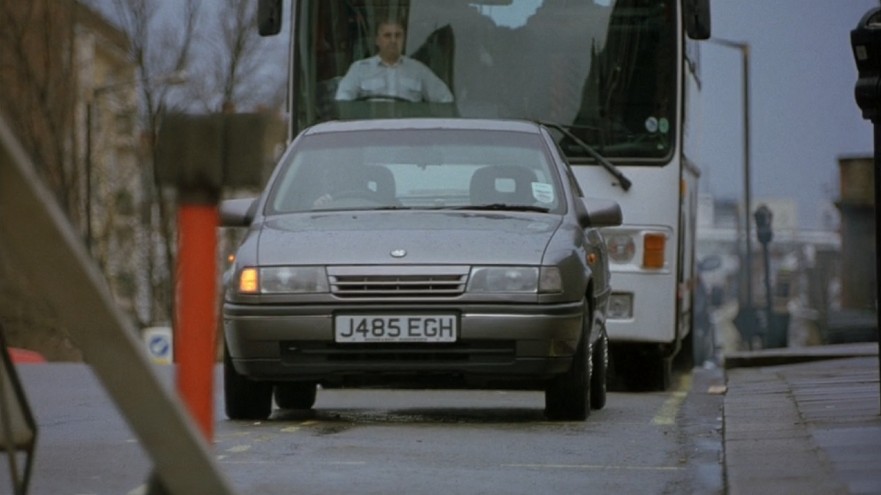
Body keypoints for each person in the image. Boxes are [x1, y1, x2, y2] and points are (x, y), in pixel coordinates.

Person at [335, 19, 454, 103]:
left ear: (403, 38)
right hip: (370, 132)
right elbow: (343, 101)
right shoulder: (359, 69)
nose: (393, 40)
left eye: (398, 35)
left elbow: (445, 99)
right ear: (377, 40)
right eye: (387, 35)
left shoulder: (418, 70)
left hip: (408, 133)